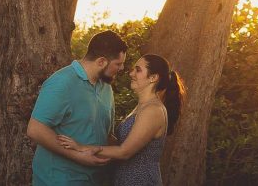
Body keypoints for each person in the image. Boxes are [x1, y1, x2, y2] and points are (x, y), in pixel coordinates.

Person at [57, 54, 185, 186]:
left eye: (138, 70)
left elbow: (124, 151)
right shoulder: (142, 106)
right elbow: (120, 142)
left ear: (153, 78)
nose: (131, 73)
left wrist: (82, 147)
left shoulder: (153, 110)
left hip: (140, 181)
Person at [27, 30, 128, 186]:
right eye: (118, 64)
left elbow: (106, 134)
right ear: (101, 61)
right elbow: (35, 129)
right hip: (57, 180)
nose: (121, 69)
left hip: (94, 181)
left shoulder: (106, 87)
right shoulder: (61, 83)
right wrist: (77, 155)